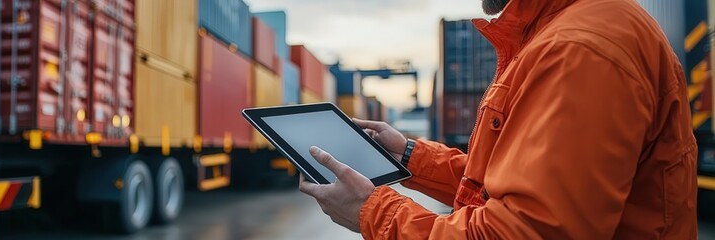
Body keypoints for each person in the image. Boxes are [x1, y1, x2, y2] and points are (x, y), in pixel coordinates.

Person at [298, 0, 698, 238]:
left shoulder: (577, 50)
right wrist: (408, 156)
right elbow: (510, 188)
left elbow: (526, 232)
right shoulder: (566, 32)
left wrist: (372, 210)